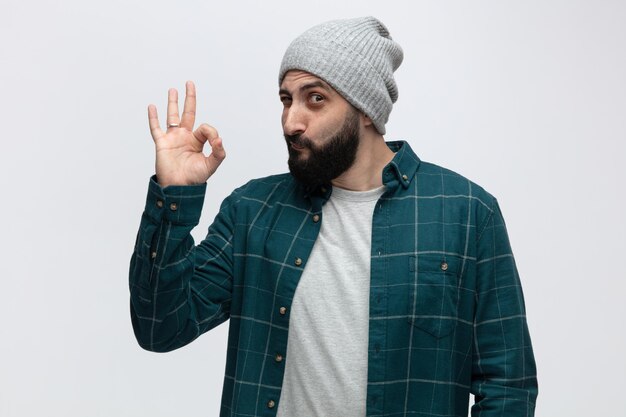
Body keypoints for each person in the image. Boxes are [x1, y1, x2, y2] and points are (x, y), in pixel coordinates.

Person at [129, 16, 538, 417]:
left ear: (365, 109)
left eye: (316, 98)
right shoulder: (252, 211)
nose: (291, 121)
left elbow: (507, 386)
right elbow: (160, 327)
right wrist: (175, 197)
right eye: (286, 100)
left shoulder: (465, 213)